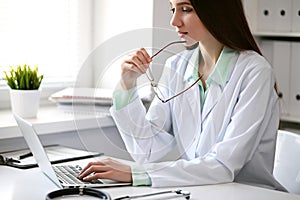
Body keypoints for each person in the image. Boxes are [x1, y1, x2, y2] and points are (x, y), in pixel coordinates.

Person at [78, 0, 286, 191]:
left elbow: (224, 165)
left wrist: (136, 173)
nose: (174, 21)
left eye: (186, 9)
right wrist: (127, 84)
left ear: (216, 11)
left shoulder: (254, 72)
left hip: (247, 192)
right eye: (173, 9)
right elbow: (149, 149)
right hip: (199, 189)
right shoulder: (177, 66)